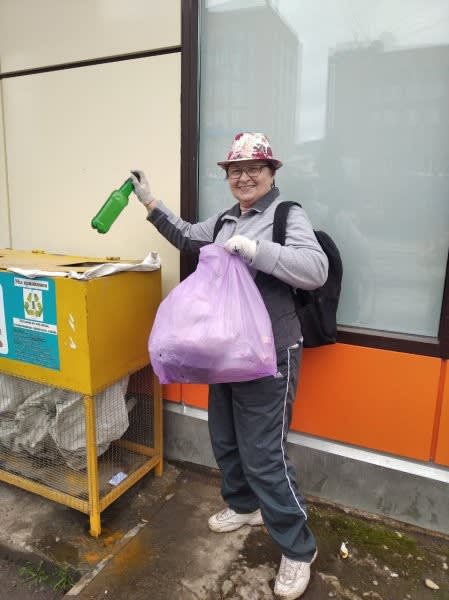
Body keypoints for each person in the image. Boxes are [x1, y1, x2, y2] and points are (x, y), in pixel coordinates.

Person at [130, 132, 328, 600]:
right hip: (225, 355)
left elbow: (314, 269)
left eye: (254, 168)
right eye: (235, 170)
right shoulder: (224, 220)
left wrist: (258, 252)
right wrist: (150, 201)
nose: (244, 177)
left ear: (271, 172)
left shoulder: (287, 215)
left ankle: (298, 548)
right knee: (224, 438)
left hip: (270, 354)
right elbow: (186, 236)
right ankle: (243, 505)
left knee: (265, 454)